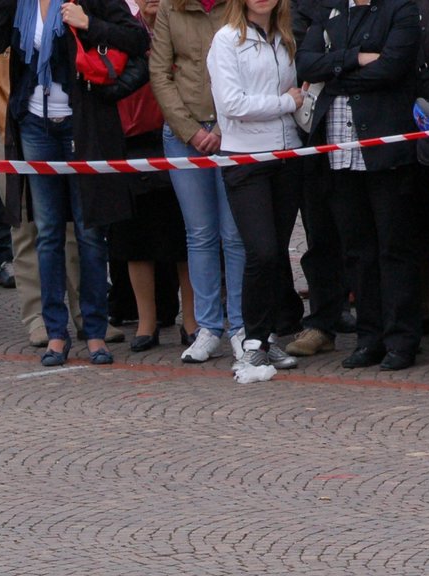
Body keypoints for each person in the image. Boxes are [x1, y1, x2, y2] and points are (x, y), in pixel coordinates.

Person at [0, 0, 150, 366]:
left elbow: (137, 39)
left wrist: (88, 23)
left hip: (82, 123)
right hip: (35, 125)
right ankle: (56, 333)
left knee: (89, 232)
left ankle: (95, 332)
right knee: (48, 231)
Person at [298, 0, 424, 370]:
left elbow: (392, 69)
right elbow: (305, 64)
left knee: (395, 247)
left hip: (386, 150)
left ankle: (401, 339)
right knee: (357, 251)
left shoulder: (401, 9)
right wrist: (355, 57)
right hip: (338, 150)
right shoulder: (328, 11)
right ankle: (369, 339)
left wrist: (334, 72)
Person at [206, 0, 305, 369]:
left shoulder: (285, 38)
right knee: (260, 251)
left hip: (286, 155)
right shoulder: (226, 40)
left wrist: (296, 102)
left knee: (277, 253)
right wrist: (285, 102)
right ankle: (251, 340)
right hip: (245, 159)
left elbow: (295, 93)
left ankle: (267, 338)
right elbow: (230, 104)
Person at [149, 0, 247, 362]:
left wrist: (223, 126)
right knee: (200, 233)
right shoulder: (170, 9)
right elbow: (159, 73)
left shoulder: (238, 6)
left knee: (234, 233)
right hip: (183, 133)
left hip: (232, 128)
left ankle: (238, 325)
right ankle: (207, 327)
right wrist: (189, 131)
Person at [110, 0, 193, 351]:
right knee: (134, 237)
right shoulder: (122, 29)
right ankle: (146, 320)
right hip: (129, 141)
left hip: (179, 133)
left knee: (185, 236)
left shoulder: (184, 23)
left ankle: (192, 319)